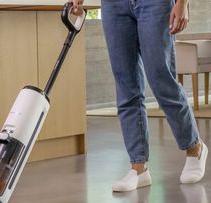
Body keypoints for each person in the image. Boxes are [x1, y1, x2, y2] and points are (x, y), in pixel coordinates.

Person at [69, 0, 208, 191]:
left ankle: (195, 148)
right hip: (114, 5)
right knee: (126, 85)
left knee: (161, 79)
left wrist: (183, 2)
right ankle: (138, 167)